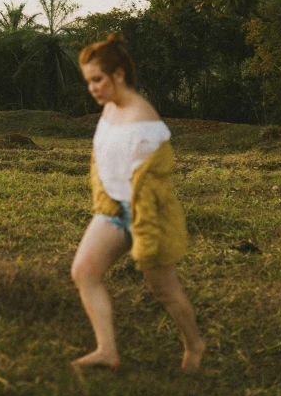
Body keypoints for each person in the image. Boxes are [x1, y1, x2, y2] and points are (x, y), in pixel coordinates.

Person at [71, 34, 206, 371]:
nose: (93, 88)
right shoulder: (110, 110)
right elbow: (103, 160)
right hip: (115, 209)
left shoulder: (143, 122)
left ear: (118, 75)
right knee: (84, 271)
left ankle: (195, 344)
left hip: (148, 214)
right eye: (88, 81)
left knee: (163, 289)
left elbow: (150, 189)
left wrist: (142, 233)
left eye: (97, 79)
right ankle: (107, 351)